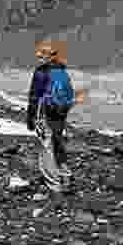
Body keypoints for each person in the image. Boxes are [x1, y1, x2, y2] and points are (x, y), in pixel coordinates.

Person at [26, 41, 74, 192]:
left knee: (47, 147)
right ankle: (66, 176)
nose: (39, 58)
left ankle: (54, 184)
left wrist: (31, 116)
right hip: (59, 113)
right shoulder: (62, 71)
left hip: (45, 112)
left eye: (41, 55)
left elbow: (34, 96)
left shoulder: (41, 72)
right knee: (57, 143)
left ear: (48, 56)